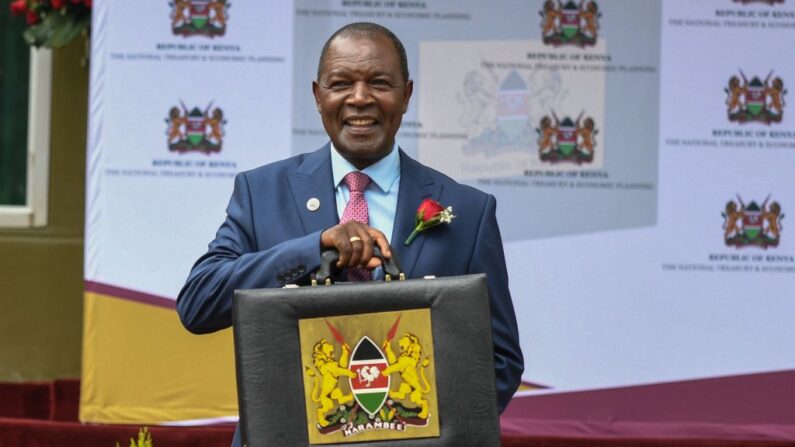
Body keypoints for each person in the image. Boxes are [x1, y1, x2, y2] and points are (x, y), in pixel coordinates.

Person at [177, 22, 524, 446]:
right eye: (341, 83)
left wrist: (416, 434)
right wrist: (315, 246)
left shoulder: (467, 211)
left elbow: (500, 361)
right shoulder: (261, 192)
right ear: (318, 94)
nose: (360, 98)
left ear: (407, 94)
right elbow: (197, 305)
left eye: (379, 82)